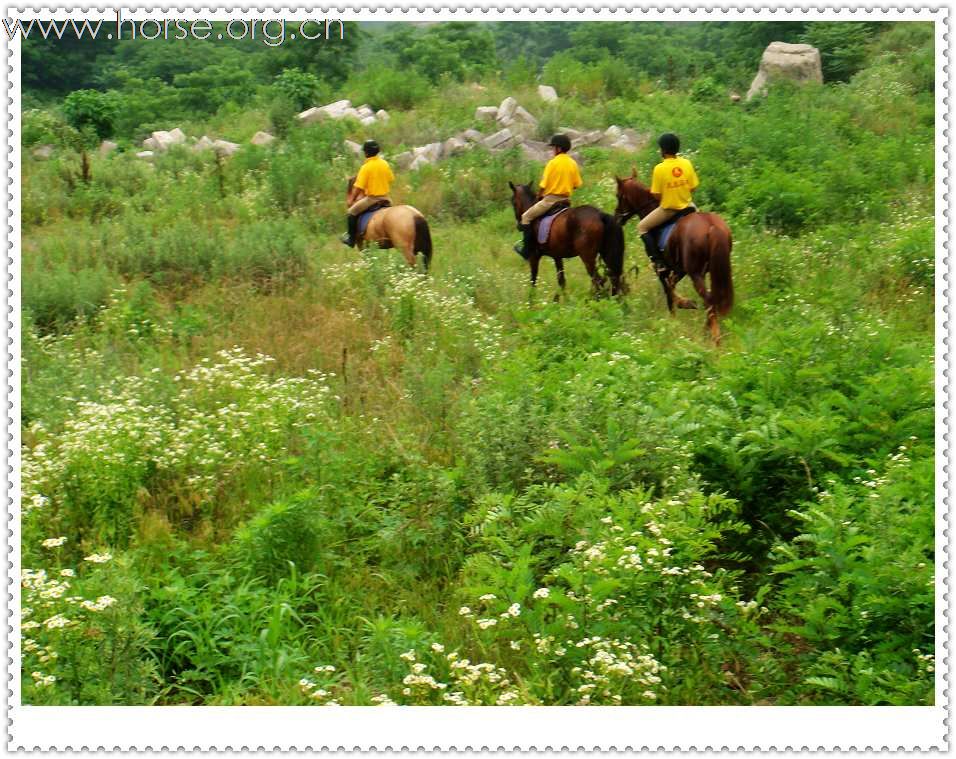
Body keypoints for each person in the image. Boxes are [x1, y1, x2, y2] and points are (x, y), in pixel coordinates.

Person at [514, 134, 582, 258]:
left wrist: (539, 196)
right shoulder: (573, 163)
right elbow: (577, 185)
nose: (552, 150)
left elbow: (543, 185)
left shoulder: (552, 163)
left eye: (553, 147)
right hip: (566, 201)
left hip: (550, 200)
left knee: (526, 216)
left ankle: (526, 250)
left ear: (559, 149)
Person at [638, 133, 699, 270]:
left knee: (641, 227)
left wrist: (669, 195)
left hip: (670, 210)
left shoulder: (659, 168)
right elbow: (693, 187)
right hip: (689, 206)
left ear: (663, 150)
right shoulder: (686, 163)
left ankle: (658, 261)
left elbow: (656, 195)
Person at [342, 140, 395, 247]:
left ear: (366, 153)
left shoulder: (365, 167)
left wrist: (351, 199)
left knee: (351, 213)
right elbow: (390, 179)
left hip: (372, 199)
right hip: (386, 198)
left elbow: (358, 187)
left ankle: (351, 239)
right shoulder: (384, 164)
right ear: (377, 151)